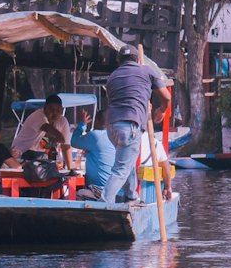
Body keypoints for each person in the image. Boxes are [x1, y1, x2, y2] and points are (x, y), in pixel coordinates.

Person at [101, 46, 172, 206]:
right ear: (138, 60)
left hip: (112, 127)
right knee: (121, 169)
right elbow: (166, 97)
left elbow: (115, 98)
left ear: (119, 61)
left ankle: (131, 196)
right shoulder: (146, 70)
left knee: (128, 162)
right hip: (130, 125)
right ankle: (104, 202)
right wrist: (161, 110)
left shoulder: (112, 77)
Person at [11, 93, 72, 168]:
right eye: (52, 110)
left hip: (40, 154)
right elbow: (53, 133)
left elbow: (65, 147)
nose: (55, 113)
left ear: (62, 110)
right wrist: (59, 139)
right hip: (20, 154)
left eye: (58, 110)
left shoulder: (63, 121)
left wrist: (70, 170)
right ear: (45, 108)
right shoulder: (38, 116)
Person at [72, 110, 114, 199]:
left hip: (100, 190)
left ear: (97, 121)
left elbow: (74, 141)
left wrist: (82, 125)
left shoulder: (95, 136)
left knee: (77, 194)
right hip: (115, 188)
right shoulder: (115, 136)